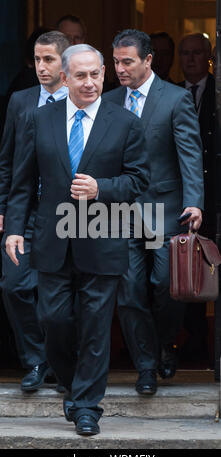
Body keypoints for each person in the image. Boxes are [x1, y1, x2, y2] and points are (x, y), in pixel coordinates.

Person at [5, 44, 149, 435]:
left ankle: (87, 406)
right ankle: (71, 382)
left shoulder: (125, 122)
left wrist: (100, 187)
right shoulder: (40, 119)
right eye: (80, 76)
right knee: (54, 319)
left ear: (104, 73)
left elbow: (139, 181)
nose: (90, 83)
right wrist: (15, 229)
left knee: (96, 325)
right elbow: (22, 182)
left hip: (103, 233)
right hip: (52, 237)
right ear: (65, 78)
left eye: (96, 74)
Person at [103, 29, 204, 395]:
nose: (120, 69)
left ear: (148, 60)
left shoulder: (175, 99)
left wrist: (195, 200)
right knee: (128, 291)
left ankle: (163, 344)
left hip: (165, 210)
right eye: (115, 61)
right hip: (119, 212)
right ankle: (146, 365)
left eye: (127, 61)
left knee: (164, 286)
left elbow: (189, 154)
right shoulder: (109, 100)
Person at [0, 31, 70, 392]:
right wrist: (3, 209)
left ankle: (60, 363)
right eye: (37, 59)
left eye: (49, 60)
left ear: (65, 63)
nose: (41, 67)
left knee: (57, 298)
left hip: (67, 216)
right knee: (14, 286)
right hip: (25, 212)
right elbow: (7, 161)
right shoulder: (21, 102)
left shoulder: (82, 100)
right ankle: (35, 360)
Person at [178, 33, 216, 362]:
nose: (190, 59)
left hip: (215, 196)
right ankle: (192, 341)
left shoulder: (218, 91)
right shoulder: (172, 94)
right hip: (184, 200)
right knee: (187, 271)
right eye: (184, 53)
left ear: (208, 56)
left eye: (196, 53)